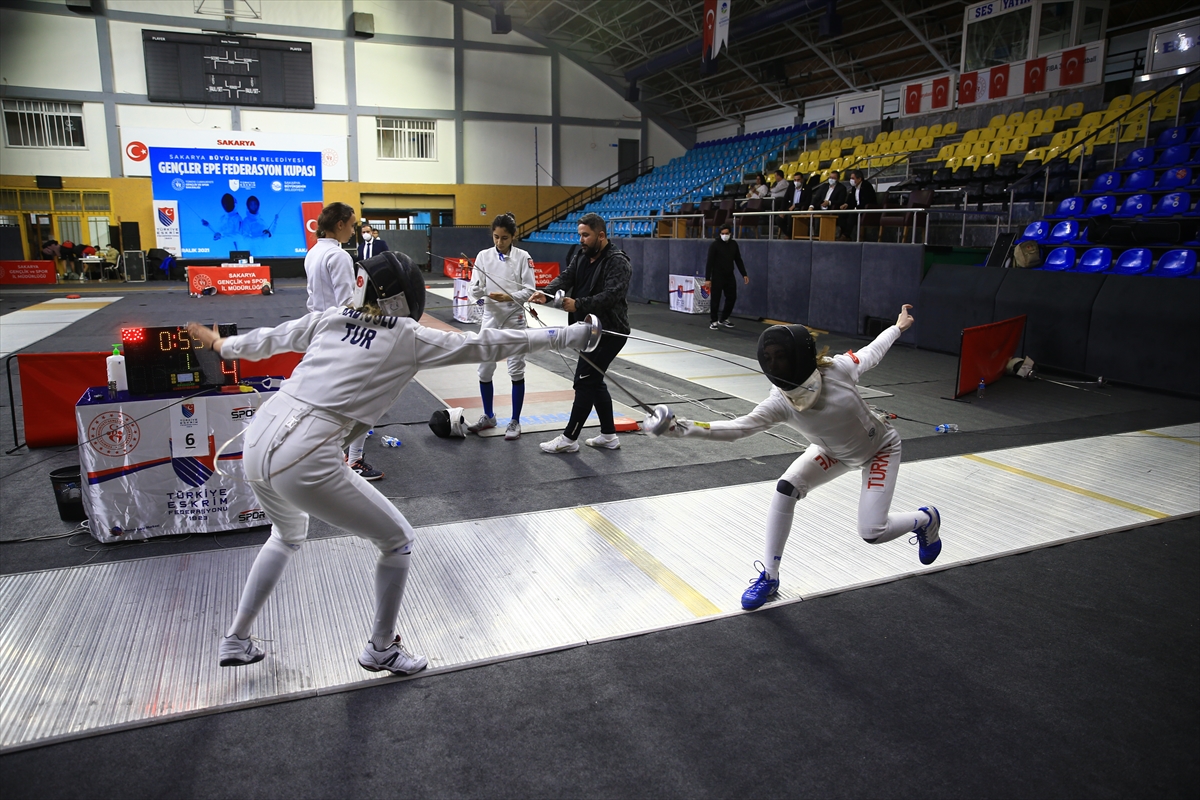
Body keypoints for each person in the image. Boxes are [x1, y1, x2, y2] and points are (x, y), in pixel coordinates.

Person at [190, 252, 599, 674]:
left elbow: (270, 339)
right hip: (305, 453)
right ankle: (381, 648)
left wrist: (222, 344)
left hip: (258, 440)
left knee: (286, 533)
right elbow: (484, 343)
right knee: (397, 540)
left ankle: (237, 639)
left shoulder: (330, 318)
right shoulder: (407, 335)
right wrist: (565, 337)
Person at [652, 305, 941, 610]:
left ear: (800, 357)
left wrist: (898, 327)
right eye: (769, 358)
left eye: (782, 356)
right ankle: (770, 575)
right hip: (833, 453)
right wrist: (679, 427)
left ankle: (925, 520)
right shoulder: (780, 402)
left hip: (879, 449)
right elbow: (737, 429)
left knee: (872, 532)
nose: (775, 364)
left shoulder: (838, 369)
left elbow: (873, 350)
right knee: (786, 488)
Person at [530, 212, 631, 453]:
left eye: (586, 235)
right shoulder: (582, 254)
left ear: (601, 235)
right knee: (594, 382)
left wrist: (579, 304)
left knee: (584, 382)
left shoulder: (618, 261)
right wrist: (547, 292)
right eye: (580, 235)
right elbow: (567, 276)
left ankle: (569, 438)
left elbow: (611, 295)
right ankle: (608, 435)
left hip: (610, 332)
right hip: (587, 329)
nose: (582, 240)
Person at [304, 201, 381, 481]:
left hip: (321, 333)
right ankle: (354, 461)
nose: (354, 231)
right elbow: (348, 305)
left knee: (331, 400)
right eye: (351, 225)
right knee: (365, 398)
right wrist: (376, 314)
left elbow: (314, 301)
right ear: (340, 225)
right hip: (342, 336)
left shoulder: (313, 253)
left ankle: (330, 456)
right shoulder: (338, 257)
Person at [466, 213, 536, 440]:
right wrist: (476, 290)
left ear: (513, 236)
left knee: (516, 368)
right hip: (491, 317)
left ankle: (515, 421)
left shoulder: (523, 257)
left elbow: (529, 290)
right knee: (484, 368)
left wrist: (508, 297)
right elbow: (473, 290)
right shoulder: (483, 256)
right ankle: (489, 416)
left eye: (504, 238)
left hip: (514, 317)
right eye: (496, 237)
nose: (499, 242)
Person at [703, 224, 749, 331]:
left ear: (730, 234)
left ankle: (724, 318)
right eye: (722, 234)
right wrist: (707, 279)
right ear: (720, 234)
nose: (724, 235)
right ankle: (713, 321)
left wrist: (744, 274)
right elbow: (709, 263)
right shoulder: (714, 245)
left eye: (726, 233)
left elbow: (738, 260)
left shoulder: (734, 244)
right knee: (716, 299)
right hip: (717, 275)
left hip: (729, 275)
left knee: (732, 297)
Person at [841, 170, 878, 241]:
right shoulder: (854, 188)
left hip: (867, 210)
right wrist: (846, 204)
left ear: (859, 179)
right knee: (843, 214)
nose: (851, 180)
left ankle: (846, 235)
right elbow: (851, 199)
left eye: (853, 178)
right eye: (850, 178)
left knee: (852, 215)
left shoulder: (866, 186)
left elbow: (867, 200)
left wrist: (857, 208)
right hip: (857, 209)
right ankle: (844, 235)